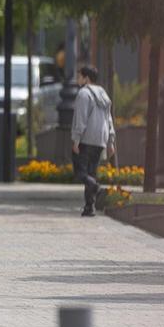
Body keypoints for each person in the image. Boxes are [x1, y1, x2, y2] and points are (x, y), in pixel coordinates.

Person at [72, 65, 116, 217]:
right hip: (100, 140)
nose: (77, 79)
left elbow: (81, 119)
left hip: (86, 138)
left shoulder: (84, 94)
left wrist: (76, 140)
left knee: (80, 172)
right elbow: (109, 120)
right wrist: (110, 142)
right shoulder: (103, 94)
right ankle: (89, 207)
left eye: (79, 76)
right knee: (91, 172)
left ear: (87, 78)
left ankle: (96, 188)